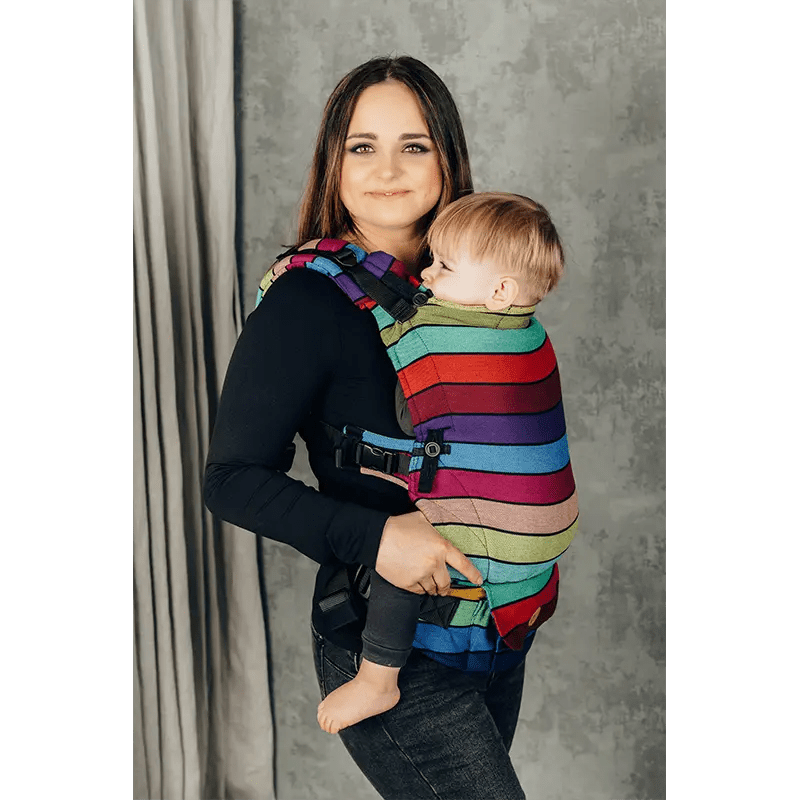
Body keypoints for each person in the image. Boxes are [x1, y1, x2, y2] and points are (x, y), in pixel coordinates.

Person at [204, 56, 530, 800]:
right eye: (362, 146)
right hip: (390, 649)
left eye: (414, 145)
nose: (388, 169)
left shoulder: (470, 287)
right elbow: (231, 481)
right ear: (334, 162)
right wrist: (382, 536)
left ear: (447, 158)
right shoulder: (306, 302)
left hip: (488, 630)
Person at [310, 192, 578, 736]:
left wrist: (317, 258)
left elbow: (380, 300)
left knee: (406, 550)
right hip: (543, 551)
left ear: (500, 291)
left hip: (490, 543)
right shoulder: (528, 335)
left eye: (445, 267)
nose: (426, 275)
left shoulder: (440, 335)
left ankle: (377, 679)